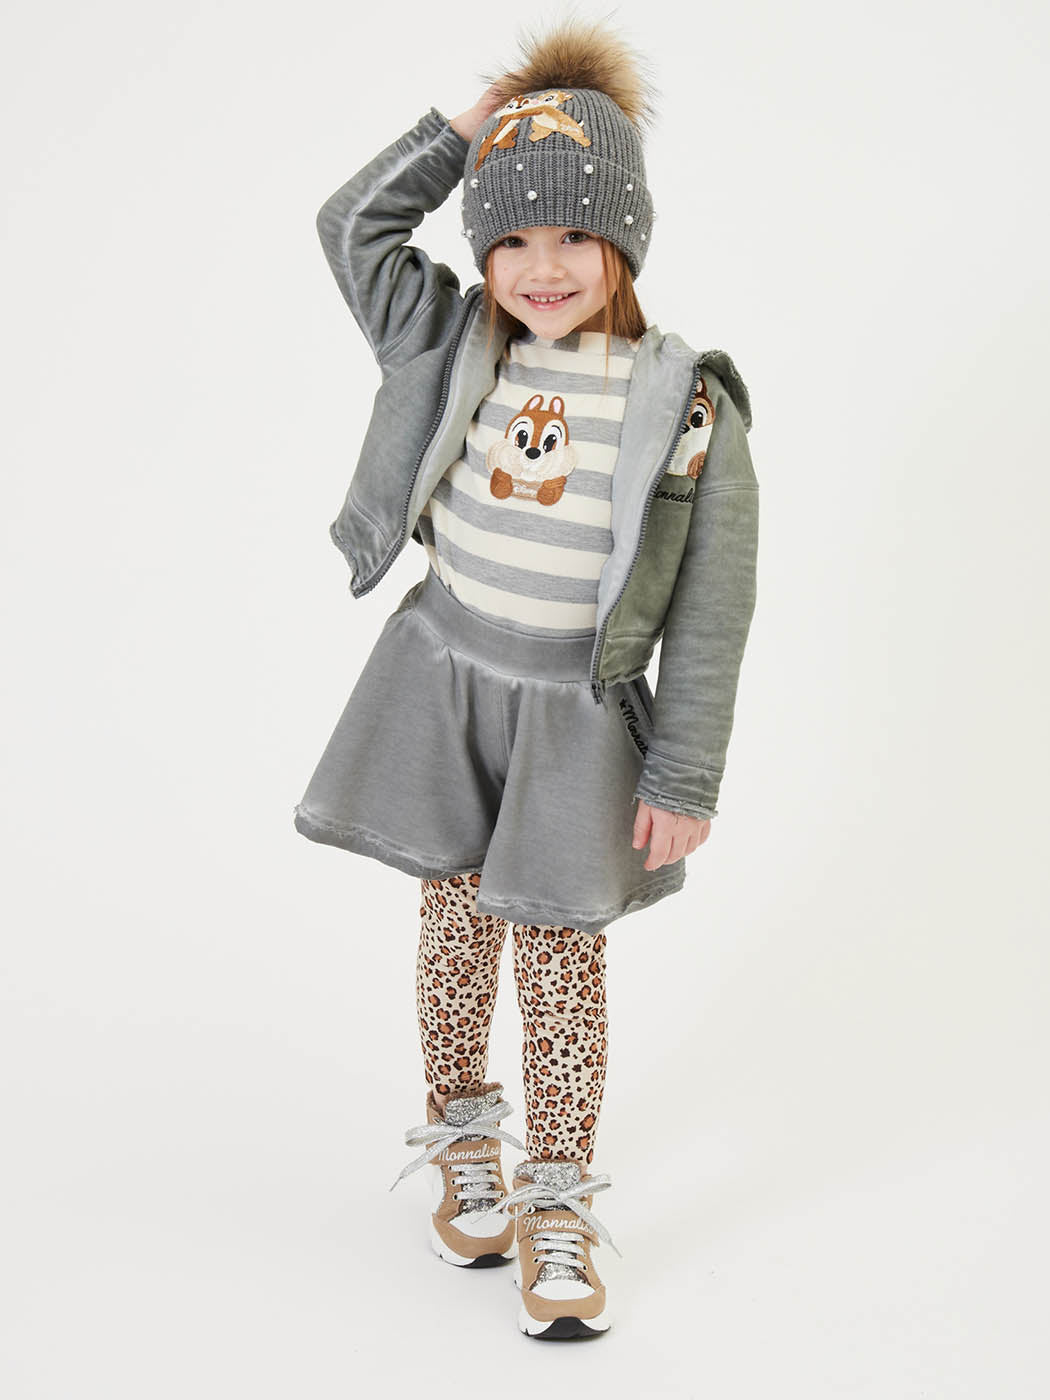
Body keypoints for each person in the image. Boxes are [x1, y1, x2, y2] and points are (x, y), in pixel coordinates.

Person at [292, 16, 759, 1340]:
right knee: (453, 931)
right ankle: (462, 1137)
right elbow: (351, 229)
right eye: (511, 238)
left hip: (573, 721)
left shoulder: (688, 404)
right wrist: (466, 130)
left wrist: (684, 771)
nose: (540, 267)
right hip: (444, 685)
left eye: (572, 235)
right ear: (480, 249)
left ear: (625, 243)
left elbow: (714, 607)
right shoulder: (443, 341)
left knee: (560, 962)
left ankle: (557, 1197)